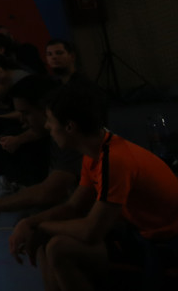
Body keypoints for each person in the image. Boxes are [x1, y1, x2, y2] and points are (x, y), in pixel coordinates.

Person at [9, 80, 178, 289]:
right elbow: (74, 206)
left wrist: (40, 226)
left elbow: (91, 231)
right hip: (141, 235)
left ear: (69, 127)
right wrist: (29, 223)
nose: (47, 127)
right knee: (48, 243)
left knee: (59, 248)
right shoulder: (96, 151)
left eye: (50, 121)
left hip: (166, 245)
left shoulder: (114, 160)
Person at [0, 75, 78, 238]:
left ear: (46, 110)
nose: (22, 120)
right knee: (29, 222)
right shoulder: (59, 136)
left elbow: (52, 191)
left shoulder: (70, 141)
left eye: (26, 113)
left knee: (40, 234)